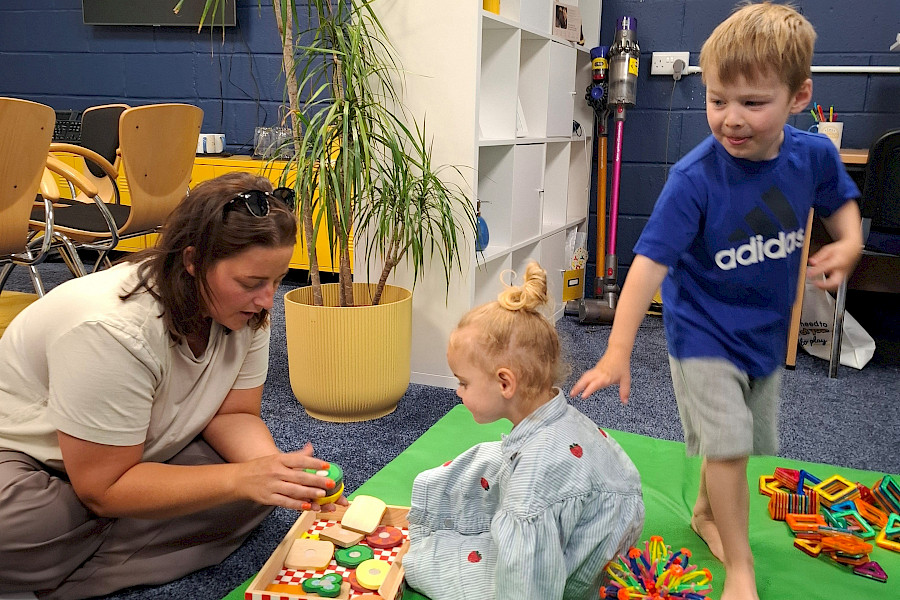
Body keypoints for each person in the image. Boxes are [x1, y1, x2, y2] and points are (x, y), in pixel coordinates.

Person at [570, 3, 863, 600]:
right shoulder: (695, 178)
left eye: (752, 103)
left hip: (763, 333)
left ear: (799, 96)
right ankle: (742, 568)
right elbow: (648, 266)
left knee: (741, 442)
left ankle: (707, 512)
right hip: (702, 334)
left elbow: (840, 203)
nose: (731, 118)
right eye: (716, 100)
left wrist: (851, 242)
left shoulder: (813, 156)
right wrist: (618, 350)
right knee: (727, 443)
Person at [0, 172, 345, 599]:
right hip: (28, 460)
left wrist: (273, 472)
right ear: (193, 261)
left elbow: (234, 414)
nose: (267, 299)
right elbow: (102, 488)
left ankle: (46, 572)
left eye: (277, 280)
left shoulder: (246, 310)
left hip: (131, 452)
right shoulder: (111, 328)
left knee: (254, 495)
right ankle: (71, 567)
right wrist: (237, 479)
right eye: (251, 283)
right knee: (31, 523)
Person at [403, 262, 644, 600]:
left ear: (505, 383)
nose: (458, 392)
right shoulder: (550, 418)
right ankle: (434, 515)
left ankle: (431, 545)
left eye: (464, 383)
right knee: (487, 459)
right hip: (604, 505)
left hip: (584, 558)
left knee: (439, 566)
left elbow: (526, 585)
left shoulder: (533, 482)